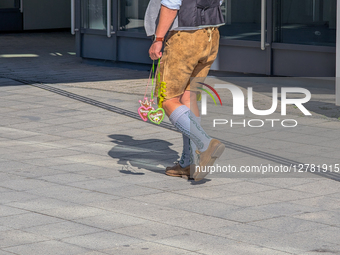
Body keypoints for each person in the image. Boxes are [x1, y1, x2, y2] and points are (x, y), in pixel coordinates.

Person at [144, 0, 225, 181]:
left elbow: (171, 4)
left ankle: (205, 144)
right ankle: (188, 162)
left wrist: (158, 39)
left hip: (185, 38)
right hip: (210, 36)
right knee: (188, 98)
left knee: (168, 99)